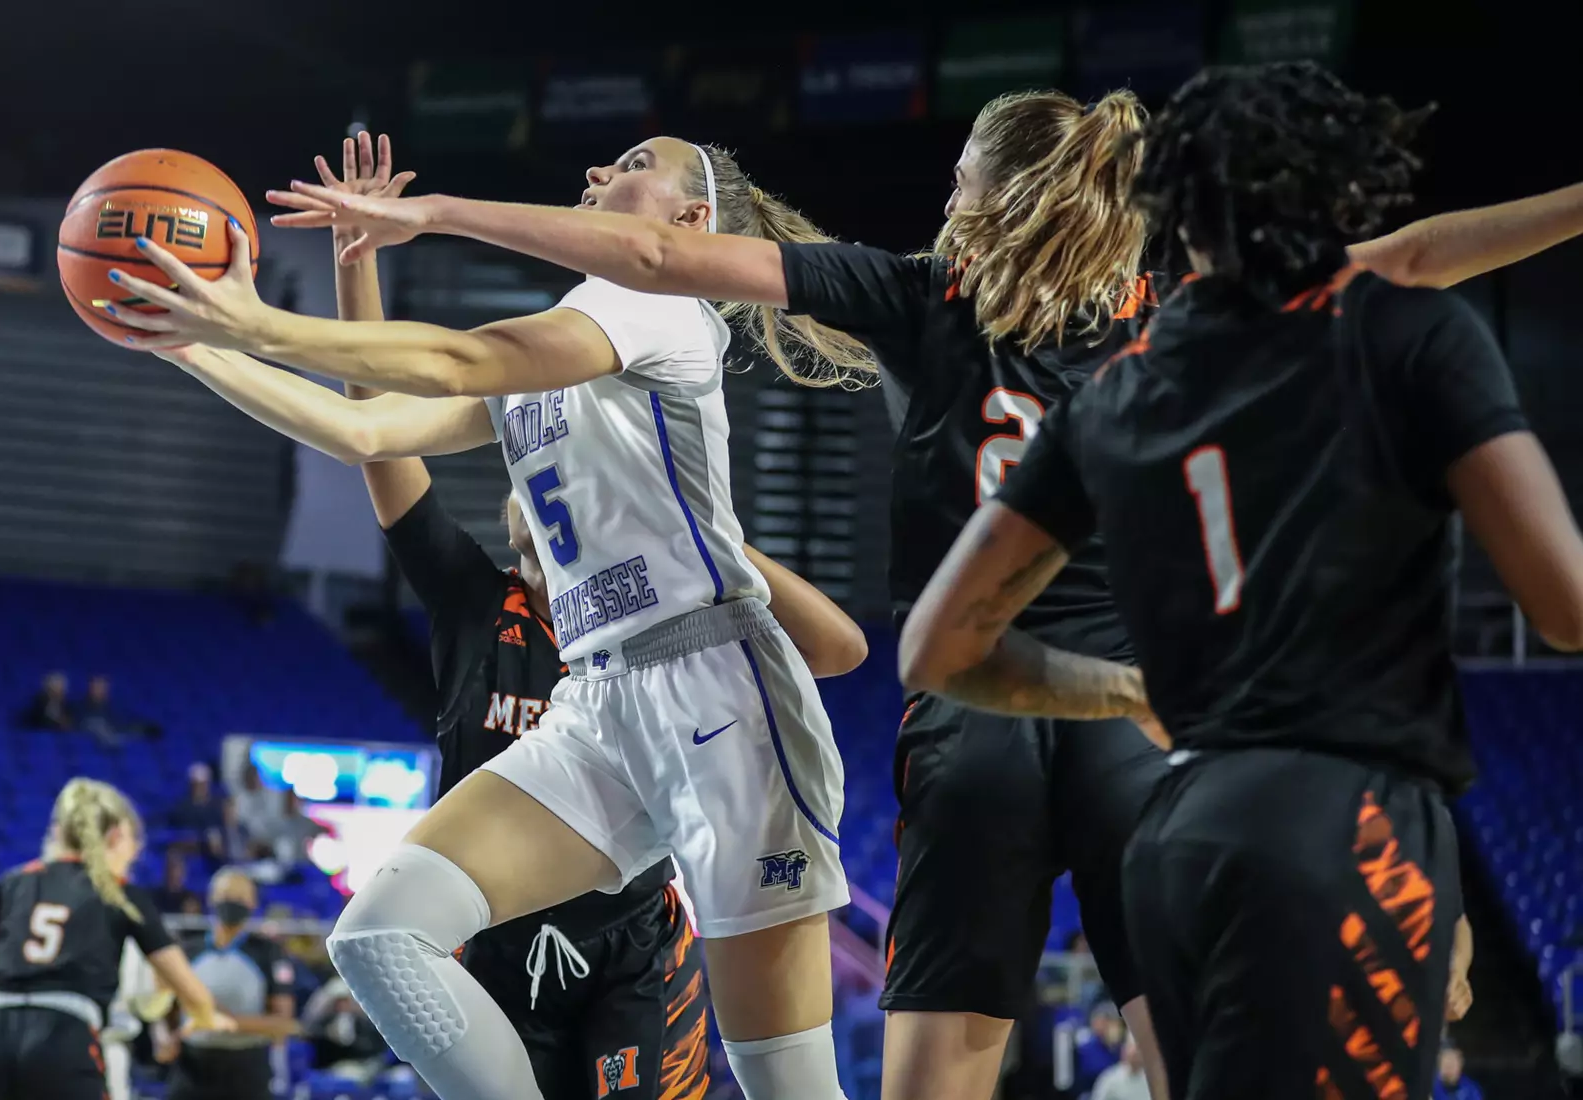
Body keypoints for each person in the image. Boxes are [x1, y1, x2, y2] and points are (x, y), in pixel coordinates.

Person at [273, 87, 1583, 1100]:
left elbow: (662, 267)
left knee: (938, 1069)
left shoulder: (925, 294)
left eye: (962, 178)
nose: (945, 197)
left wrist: (435, 214)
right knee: (1186, 1047)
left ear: (1001, 196)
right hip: (1138, 716)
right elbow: (1409, 259)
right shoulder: (1185, 301)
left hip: (972, 711)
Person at [113, 131, 864, 1100]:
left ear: (690, 222)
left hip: (714, 684)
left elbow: (452, 358)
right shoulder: (564, 343)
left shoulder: (663, 310)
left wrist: (252, 320)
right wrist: (187, 339)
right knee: (382, 930)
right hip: (598, 700)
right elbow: (366, 427)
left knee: (789, 1082)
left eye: (633, 162)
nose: (597, 170)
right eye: (600, 161)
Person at [894, 62, 1583, 1100]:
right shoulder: (1403, 335)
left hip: (1184, 826)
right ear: (1339, 192)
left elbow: (937, 647)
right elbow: (1565, 609)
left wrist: (1123, 693)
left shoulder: (1122, 387)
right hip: (1348, 818)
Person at [0, 777, 229, 1100]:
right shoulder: (119, 894)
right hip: (63, 1036)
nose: (135, 853)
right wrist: (204, 1015)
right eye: (133, 841)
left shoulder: (11, 883)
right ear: (114, 836)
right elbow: (186, 984)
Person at [152, 868, 299, 1100]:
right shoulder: (188, 952)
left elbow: (283, 1024)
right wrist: (163, 1039)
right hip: (192, 1070)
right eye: (226, 895)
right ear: (211, 898)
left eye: (240, 898)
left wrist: (225, 1022)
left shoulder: (268, 953)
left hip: (246, 1072)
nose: (232, 902)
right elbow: (165, 1013)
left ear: (253, 903)